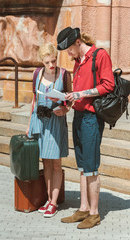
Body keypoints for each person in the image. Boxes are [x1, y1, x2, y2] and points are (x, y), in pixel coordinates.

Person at [57, 27, 114, 228]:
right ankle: (83, 208)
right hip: (78, 116)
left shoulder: (100, 55)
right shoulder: (78, 63)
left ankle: (95, 213)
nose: (68, 54)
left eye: (69, 50)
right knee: (82, 166)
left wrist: (82, 94)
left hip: (92, 118)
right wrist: (66, 105)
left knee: (91, 167)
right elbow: (78, 93)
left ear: (77, 42)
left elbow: (109, 85)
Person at [26, 42, 72, 218]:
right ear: (42, 62)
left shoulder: (64, 74)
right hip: (39, 120)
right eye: (47, 62)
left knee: (56, 163)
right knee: (45, 162)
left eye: (53, 61)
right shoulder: (36, 73)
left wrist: (65, 109)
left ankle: (53, 203)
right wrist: (29, 124)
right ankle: (49, 199)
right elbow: (34, 99)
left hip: (56, 121)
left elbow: (71, 98)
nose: (51, 65)